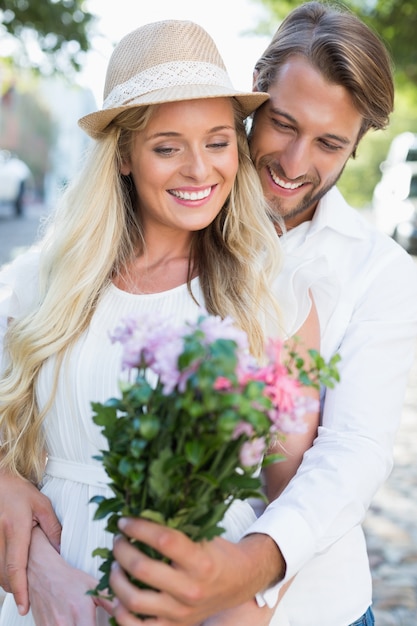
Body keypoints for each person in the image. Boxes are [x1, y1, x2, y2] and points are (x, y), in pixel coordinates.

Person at [0, 19, 323, 626]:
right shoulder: (42, 283)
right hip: (46, 602)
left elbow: (292, 494)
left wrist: (240, 611)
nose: (200, 170)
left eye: (219, 141)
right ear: (123, 156)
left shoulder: (274, 294)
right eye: (168, 146)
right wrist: (37, 569)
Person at [105, 3, 417, 626]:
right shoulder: (173, 206)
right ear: (252, 97)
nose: (296, 163)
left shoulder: (380, 272)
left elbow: (354, 449)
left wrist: (248, 569)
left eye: (329, 143)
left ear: (358, 145)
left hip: (315, 609)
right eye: (283, 124)